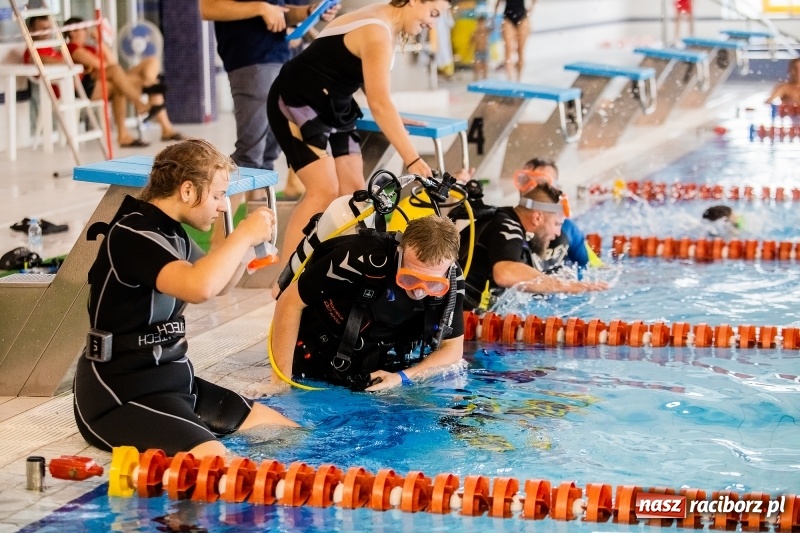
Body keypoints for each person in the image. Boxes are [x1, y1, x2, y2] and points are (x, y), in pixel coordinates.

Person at [73, 139, 298, 458]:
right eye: (219, 195)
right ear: (188, 191)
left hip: (175, 383)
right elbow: (199, 286)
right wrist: (242, 235)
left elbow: (217, 284)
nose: (223, 206)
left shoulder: (171, 233)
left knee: (283, 431)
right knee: (215, 461)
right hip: (119, 395)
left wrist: (246, 251)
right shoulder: (132, 235)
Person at [266, 0, 449, 283]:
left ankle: (340, 270)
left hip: (334, 104)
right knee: (323, 190)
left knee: (355, 194)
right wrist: (413, 159)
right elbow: (379, 102)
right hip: (297, 101)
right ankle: (287, 281)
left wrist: (396, 120)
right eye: (433, 13)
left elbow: (367, 83)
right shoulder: (377, 32)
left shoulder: (383, 24)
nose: (432, 23)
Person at [269, 216, 465, 392]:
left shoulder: (454, 277)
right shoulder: (356, 258)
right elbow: (289, 302)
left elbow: (453, 349)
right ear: (400, 253)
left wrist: (402, 377)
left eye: (433, 284)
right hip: (315, 356)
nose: (419, 291)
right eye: (410, 278)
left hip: (375, 367)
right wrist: (280, 382)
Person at [459, 182, 607, 310]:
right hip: (454, 311)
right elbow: (504, 273)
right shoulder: (507, 226)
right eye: (556, 224)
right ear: (537, 217)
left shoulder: (507, 222)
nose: (557, 233)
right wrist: (563, 285)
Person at [63, 17, 183, 147]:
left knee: (151, 62)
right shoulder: (72, 48)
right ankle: (141, 101)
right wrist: (109, 66)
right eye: (83, 29)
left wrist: (100, 42)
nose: (86, 32)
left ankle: (148, 84)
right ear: (72, 32)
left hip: (108, 80)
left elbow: (112, 62)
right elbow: (102, 66)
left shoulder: (89, 48)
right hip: (88, 87)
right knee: (117, 76)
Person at [512, 157, 603, 273]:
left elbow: (595, 268)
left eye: (542, 183)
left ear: (556, 190)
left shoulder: (568, 230)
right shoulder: (506, 229)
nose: (531, 189)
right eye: (525, 181)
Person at [493, 0, 534, 81]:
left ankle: (519, 79)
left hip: (522, 17)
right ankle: (510, 79)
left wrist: (530, 9)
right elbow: (498, 3)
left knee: (520, 51)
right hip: (508, 18)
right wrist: (494, 18)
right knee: (508, 50)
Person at [471, 15, 490, 81]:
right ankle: (476, 77)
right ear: (477, 23)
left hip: (485, 51)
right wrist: (469, 48)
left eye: (483, 23)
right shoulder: (475, 32)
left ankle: (485, 78)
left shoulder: (486, 31)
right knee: (476, 66)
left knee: (485, 66)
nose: (481, 25)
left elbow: (493, 28)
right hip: (477, 51)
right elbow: (471, 41)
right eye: (480, 24)